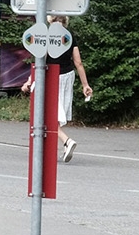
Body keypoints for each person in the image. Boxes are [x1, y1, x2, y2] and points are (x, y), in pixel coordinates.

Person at [23, 15, 94, 162]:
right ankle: (52, 149)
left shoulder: (47, 36)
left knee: (47, 114)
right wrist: (85, 84)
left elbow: (41, 61)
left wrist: (29, 80)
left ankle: (66, 141)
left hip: (52, 77)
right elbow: (78, 62)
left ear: (50, 21)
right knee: (53, 113)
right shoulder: (69, 37)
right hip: (68, 76)